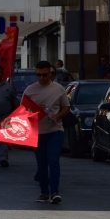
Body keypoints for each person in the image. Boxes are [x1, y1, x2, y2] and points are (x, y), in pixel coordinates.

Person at [22, 61, 70, 204]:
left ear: (50, 74)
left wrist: (58, 115)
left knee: (53, 161)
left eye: (44, 75)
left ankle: (54, 192)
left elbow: (66, 107)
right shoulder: (30, 90)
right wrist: (34, 110)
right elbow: (22, 112)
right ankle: (44, 193)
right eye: (38, 75)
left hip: (55, 130)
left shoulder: (59, 89)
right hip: (38, 133)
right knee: (42, 163)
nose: (41, 78)